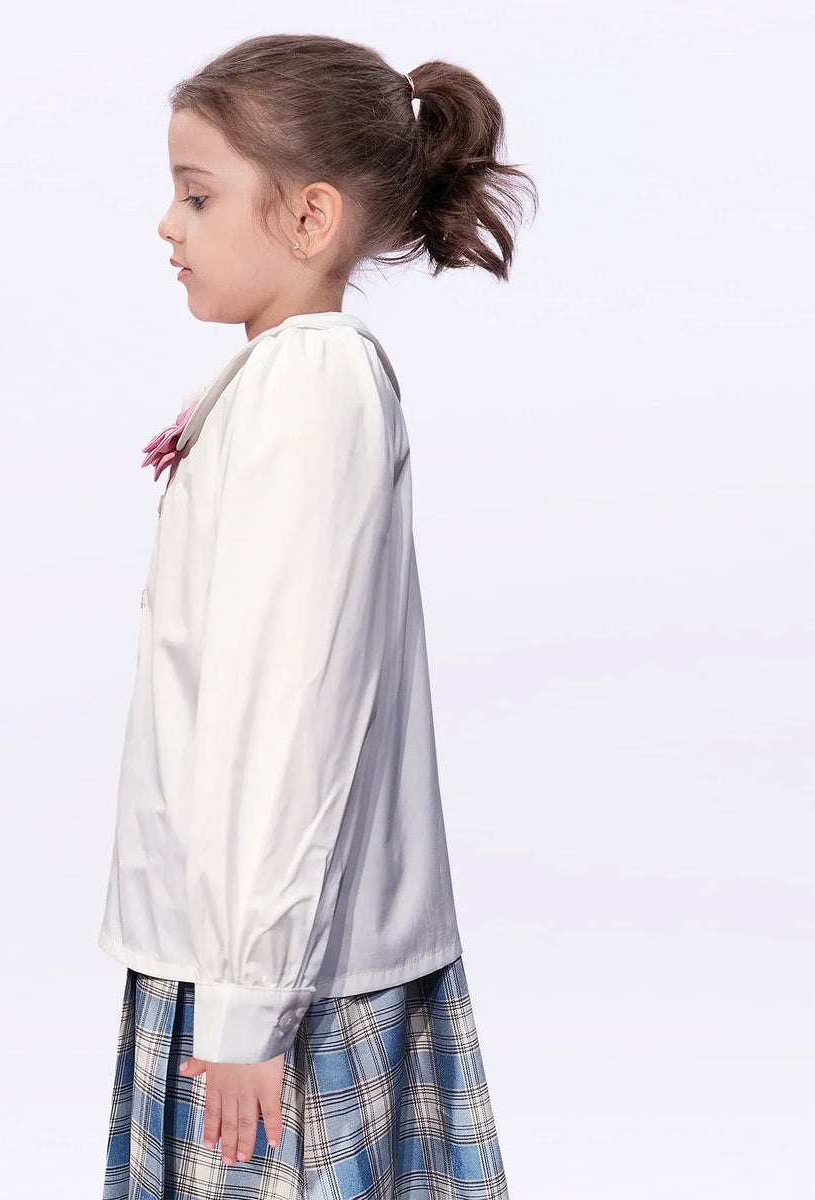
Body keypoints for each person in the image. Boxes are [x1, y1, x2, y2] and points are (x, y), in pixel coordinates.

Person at [98, 31, 537, 1200]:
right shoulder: (278, 381)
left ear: (310, 218)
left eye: (198, 196)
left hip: (281, 975)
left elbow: (288, 708)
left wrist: (247, 1002)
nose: (168, 226)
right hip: (249, 951)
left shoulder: (310, 385)